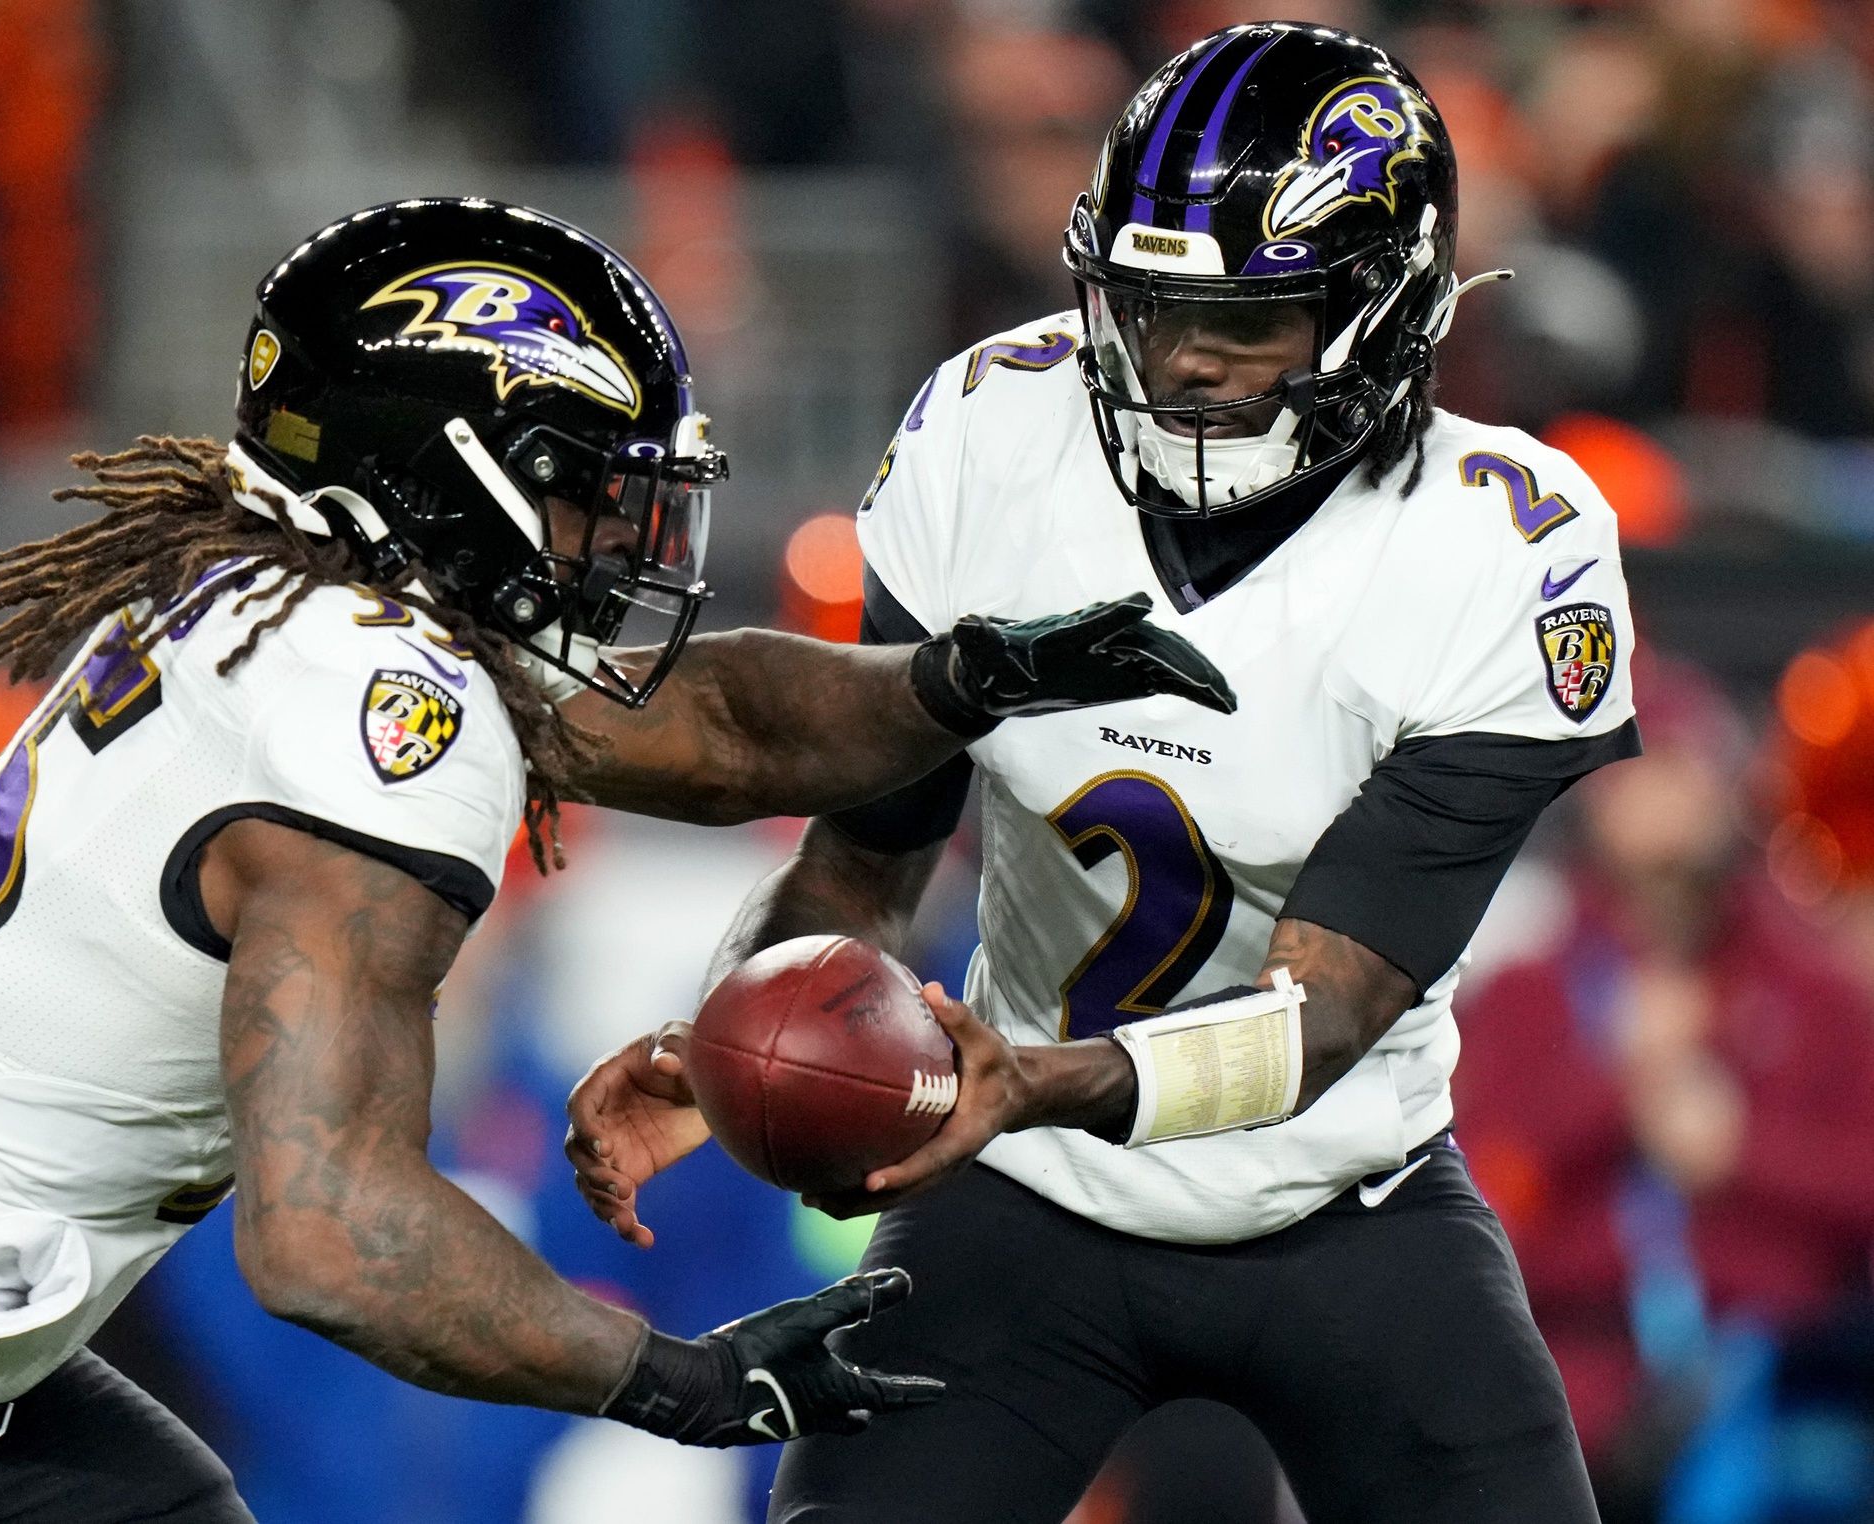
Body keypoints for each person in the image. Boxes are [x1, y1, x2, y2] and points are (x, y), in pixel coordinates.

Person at [0, 197, 1233, 1522]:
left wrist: (971, 673)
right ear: (446, 473)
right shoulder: (381, 712)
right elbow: (328, 1231)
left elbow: (726, 729)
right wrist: (683, 1376)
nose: (625, 540)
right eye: (588, 491)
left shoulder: (319, 622)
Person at [566, 24, 1645, 1524]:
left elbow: (1321, 1017)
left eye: (1247, 318)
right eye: (1147, 311)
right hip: (1025, 1208)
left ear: (1379, 311)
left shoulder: (1503, 542)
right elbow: (868, 854)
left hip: (1341, 1202)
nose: (1185, 357)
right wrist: (735, 1043)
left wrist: (1021, 1085)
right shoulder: (992, 429)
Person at [1454, 654, 1874, 1521]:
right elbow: (1476, 1209)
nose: (1660, 801)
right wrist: (1610, 1084)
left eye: (1682, 770)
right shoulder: (1524, 993)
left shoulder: (1813, 989)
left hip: (1773, 1384)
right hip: (1572, 1379)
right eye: (1633, 775)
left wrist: (1739, 1152)